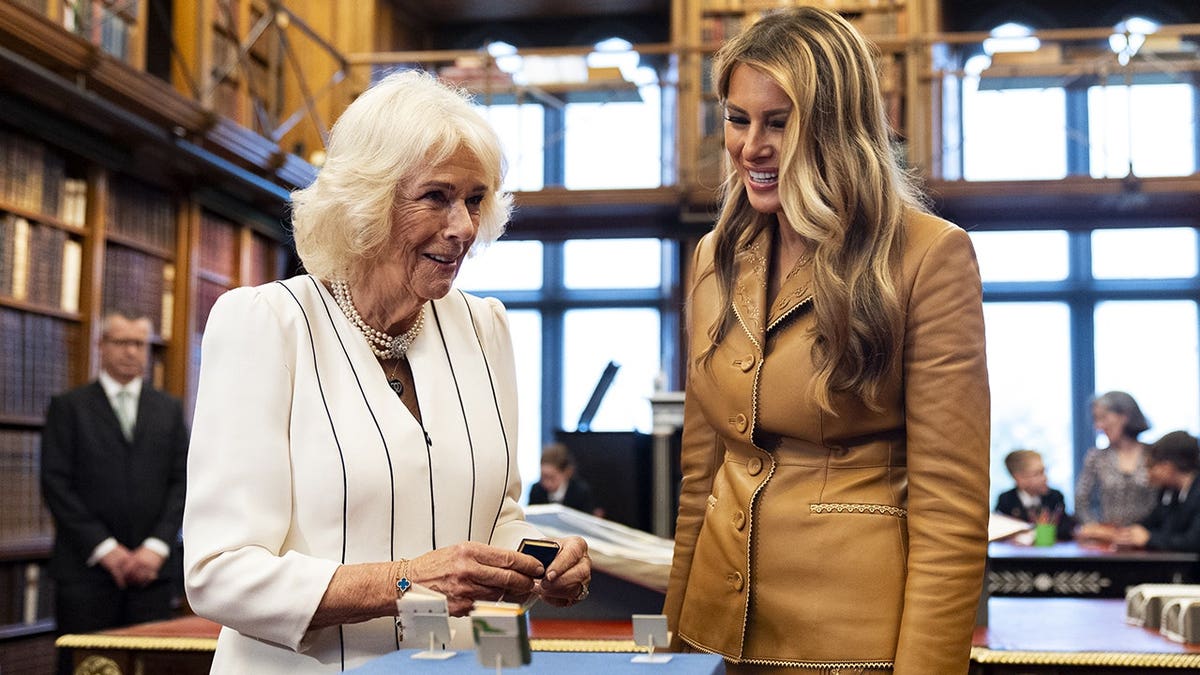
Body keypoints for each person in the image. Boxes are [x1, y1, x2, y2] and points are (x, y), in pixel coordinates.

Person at [182, 70, 591, 672]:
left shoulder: (487, 328)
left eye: (475, 200)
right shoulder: (268, 323)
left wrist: (542, 558)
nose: (463, 228)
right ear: (367, 202)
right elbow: (219, 574)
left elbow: (497, 516)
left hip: (460, 664)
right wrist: (404, 581)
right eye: (437, 197)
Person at [663, 8, 991, 674]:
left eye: (779, 122)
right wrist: (679, 640)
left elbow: (951, 509)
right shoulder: (712, 257)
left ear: (838, 126)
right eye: (737, 118)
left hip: (853, 646)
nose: (750, 146)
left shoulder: (929, 255)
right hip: (719, 635)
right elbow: (702, 475)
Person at [40, 312, 189, 638]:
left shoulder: (168, 409)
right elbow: (55, 484)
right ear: (101, 345)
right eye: (121, 342)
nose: (131, 352)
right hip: (86, 571)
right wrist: (107, 550)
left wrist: (156, 547)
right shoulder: (69, 407)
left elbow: (183, 482)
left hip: (154, 574)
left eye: (139, 343)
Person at [1077, 431, 1200, 552]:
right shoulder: (1170, 493)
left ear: (1167, 467)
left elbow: (1193, 541)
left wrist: (1149, 539)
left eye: (1151, 466)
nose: (1148, 474)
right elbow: (1151, 522)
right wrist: (1117, 532)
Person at [1074, 391, 1158, 526]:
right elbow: (1081, 500)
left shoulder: (1154, 454)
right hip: (1108, 538)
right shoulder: (1096, 458)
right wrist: (1094, 527)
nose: (1098, 426)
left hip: (1150, 539)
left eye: (1103, 417)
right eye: (1095, 419)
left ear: (1124, 416)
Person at [995, 449, 1075, 541]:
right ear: (1019, 478)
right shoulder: (1006, 500)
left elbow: (1065, 530)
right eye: (1038, 473)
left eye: (1044, 471)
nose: (1045, 478)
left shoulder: (1055, 497)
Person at [527, 443, 601, 516]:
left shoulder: (580, 492)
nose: (547, 483)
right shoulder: (536, 490)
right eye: (543, 477)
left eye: (552, 477)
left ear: (567, 472)